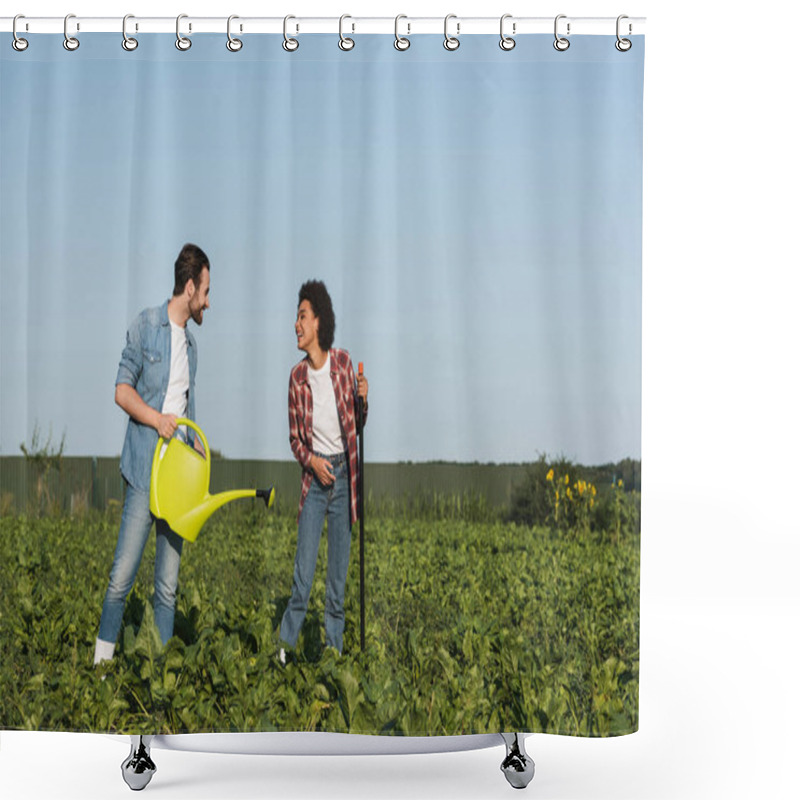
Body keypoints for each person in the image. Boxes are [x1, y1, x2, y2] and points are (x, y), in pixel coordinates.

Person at [93, 244, 211, 665]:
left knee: (167, 588)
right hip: (145, 471)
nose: (208, 302)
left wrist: (195, 444)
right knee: (121, 578)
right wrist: (157, 419)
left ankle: (159, 678)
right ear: (191, 285)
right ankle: (100, 670)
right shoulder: (145, 325)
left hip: (178, 480)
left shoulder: (192, 348)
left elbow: (185, 409)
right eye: (206, 292)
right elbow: (121, 392)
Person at [279, 280, 368, 662]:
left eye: (302, 316)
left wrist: (363, 398)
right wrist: (311, 461)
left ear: (319, 321)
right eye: (297, 318)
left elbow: (357, 424)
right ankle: (285, 651)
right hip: (315, 482)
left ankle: (333, 657)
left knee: (336, 583)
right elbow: (295, 440)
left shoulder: (344, 364)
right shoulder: (296, 379)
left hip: (344, 480)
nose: (296, 325)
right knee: (302, 578)